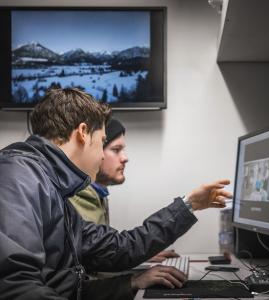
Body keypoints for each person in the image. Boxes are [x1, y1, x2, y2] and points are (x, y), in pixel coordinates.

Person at [0, 87, 232, 300]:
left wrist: (188, 205)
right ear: (82, 133)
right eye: (102, 143)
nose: (101, 156)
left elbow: (116, 249)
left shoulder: (54, 191)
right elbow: (16, 288)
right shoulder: (17, 178)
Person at [69, 118, 179, 263]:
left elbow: (100, 257)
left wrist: (141, 257)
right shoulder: (80, 196)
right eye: (116, 150)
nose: (125, 158)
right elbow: (90, 275)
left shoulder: (96, 193)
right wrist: (132, 281)